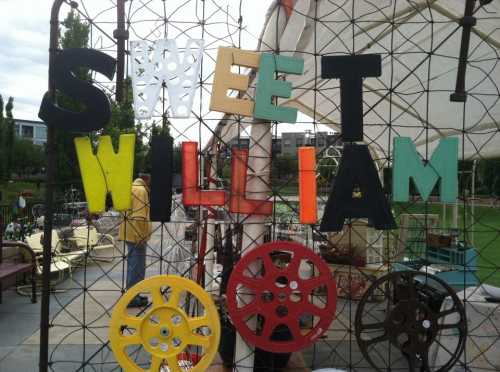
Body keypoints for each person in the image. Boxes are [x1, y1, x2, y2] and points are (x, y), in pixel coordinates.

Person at [118, 174, 152, 307]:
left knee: (133, 265)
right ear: (146, 180)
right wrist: (140, 236)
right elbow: (139, 216)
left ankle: (133, 294)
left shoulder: (131, 188)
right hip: (136, 234)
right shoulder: (141, 191)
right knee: (137, 266)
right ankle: (132, 298)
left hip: (129, 232)